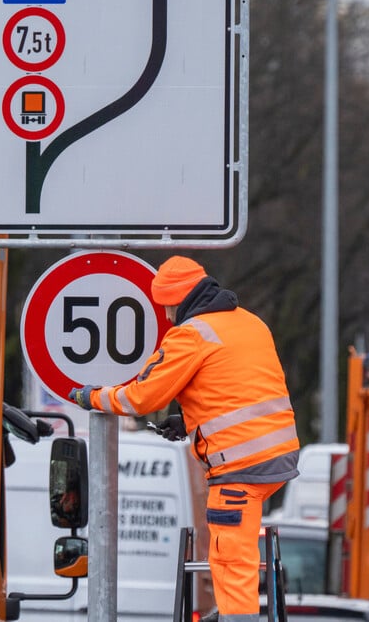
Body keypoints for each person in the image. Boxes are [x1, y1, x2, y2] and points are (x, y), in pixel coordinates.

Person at [69, 255, 300, 622]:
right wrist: (190, 421)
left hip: (239, 469)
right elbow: (238, 389)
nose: (164, 316)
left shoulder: (190, 335)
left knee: (230, 562)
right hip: (277, 455)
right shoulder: (251, 323)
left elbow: (141, 397)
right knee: (232, 557)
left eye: (165, 307)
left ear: (176, 301)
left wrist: (92, 397)